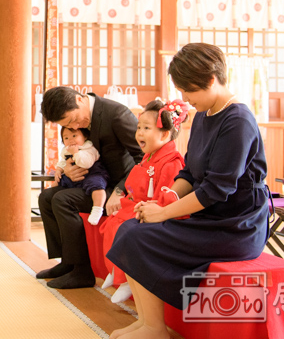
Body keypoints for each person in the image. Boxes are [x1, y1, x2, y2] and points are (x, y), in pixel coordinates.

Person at [106, 43, 270, 339]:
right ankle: (147, 322)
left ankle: (155, 328)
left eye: (188, 91)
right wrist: (161, 201)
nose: (184, 99)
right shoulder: (205, 115)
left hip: (235, 224)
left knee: (138, 237)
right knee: (130, 229)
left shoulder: (238, 121)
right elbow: (191, 174)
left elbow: (216, 189)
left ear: (210, 80)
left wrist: (165, 212)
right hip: (209, 214)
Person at [37, 86, 143, 289]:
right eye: (68, 125)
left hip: (118, 186)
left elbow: (143, 157)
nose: (76, 126)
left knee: (63, 200)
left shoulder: (117, 114)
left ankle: (82, 271)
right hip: (92, 182)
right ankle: (67, 263)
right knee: (47, 197)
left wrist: (120, 191)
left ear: (80, 99)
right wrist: (67, 169)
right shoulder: (80, 116)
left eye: (74, 120)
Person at [98, 98, 187, 304]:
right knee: (111, 222)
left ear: (165, 134)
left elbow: (166, 198)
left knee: (123, 226)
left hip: (157, 210)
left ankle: (127, 278)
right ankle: (117, 272)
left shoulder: (171, 162)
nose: (139, 133)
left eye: (146, 128)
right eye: (139, 127)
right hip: (138, 206)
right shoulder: (148, 157)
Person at [56, 127, 107, 225]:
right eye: (66, 138)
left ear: (85, 136)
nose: (70, 140)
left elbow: (86, 163)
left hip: (92, 173)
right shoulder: (68, 150)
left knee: (97, 186)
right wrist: (59, 169)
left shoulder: (89, 148)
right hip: (76, 177)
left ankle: (97, 208)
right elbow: (63, 161)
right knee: (58, 182)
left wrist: (75, 153)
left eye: (74, 136)